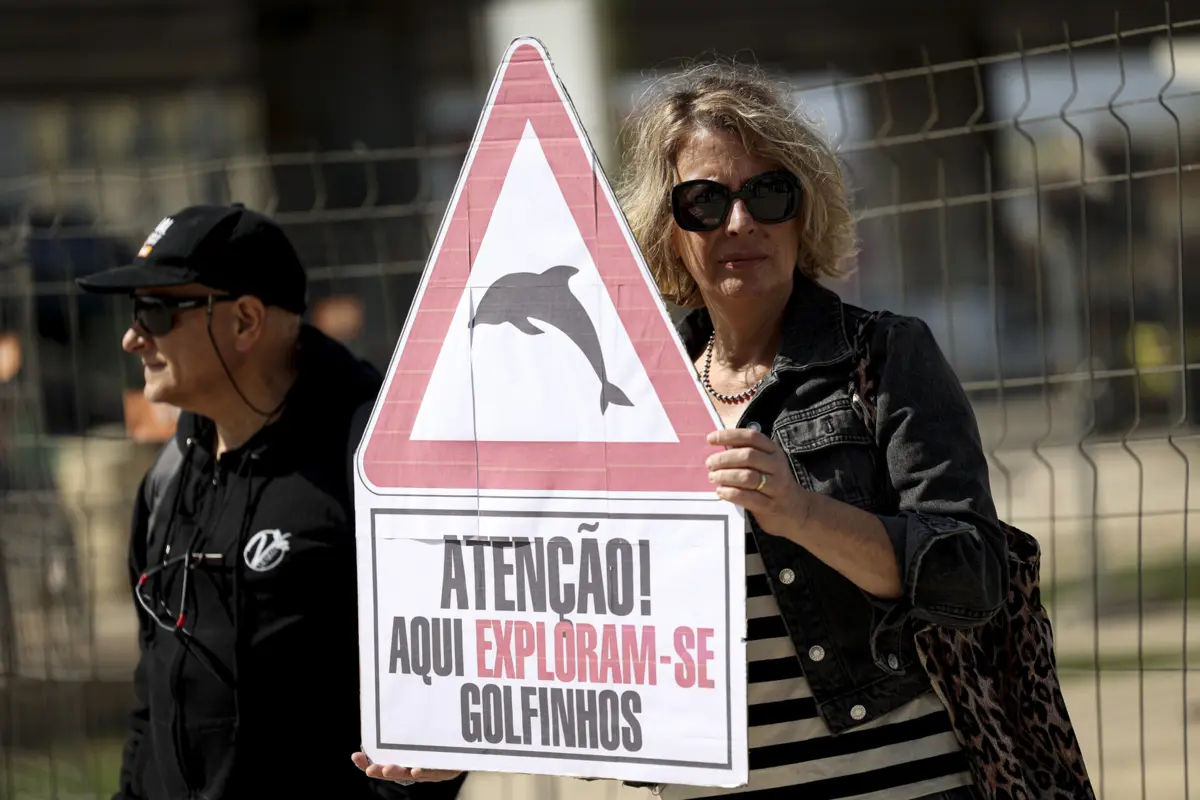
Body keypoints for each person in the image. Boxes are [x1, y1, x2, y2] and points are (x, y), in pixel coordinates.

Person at [356, 62, 1010, 800]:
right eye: (704, 200)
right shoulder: (628, 394)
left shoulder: (886, 357)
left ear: (805, 209)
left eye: (768, 192)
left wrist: (800, 511)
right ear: (670, 229)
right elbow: (587, 636)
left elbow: (972, 574)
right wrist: (470, 739)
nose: (740, 222)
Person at [77, 203, 467, 800]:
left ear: (245, 322)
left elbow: (437, 697)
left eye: (155, 311)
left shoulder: (374, 464)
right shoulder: (169, 475)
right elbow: (150, 700)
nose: (133, 338)